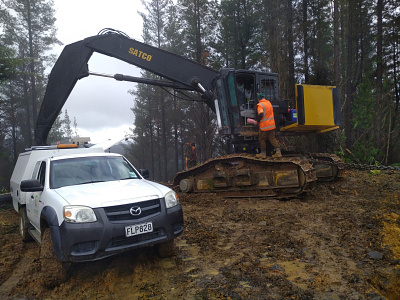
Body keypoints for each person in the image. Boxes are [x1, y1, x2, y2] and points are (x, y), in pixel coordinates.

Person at [255, 93, 282, 158]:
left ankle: (263, 154)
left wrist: (257, 121)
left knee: (262, 139)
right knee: (272, 138)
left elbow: (261, 114)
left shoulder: (260, 105)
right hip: (271, 125)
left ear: (258, 99)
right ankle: (278, 152)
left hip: (264, 126)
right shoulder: (268, 103)